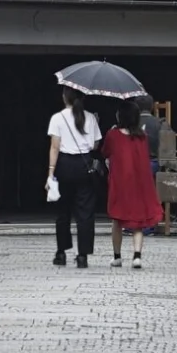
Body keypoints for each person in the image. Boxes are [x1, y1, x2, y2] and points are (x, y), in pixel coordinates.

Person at [46, 85, 104, 268]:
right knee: (85, 213)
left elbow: (54, 147)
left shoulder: (57, 118)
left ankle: (61, 253)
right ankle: (82, 256)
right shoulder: (90, 118)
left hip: (64, 165)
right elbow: (95, 145)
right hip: (84, 165)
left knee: (63, 212)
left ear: (65, 97)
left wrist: (50, 173)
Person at [103, 97, 164, 267]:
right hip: (138, 183)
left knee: (117, 220)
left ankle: (117, 256)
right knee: (138, 221)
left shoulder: (113, 135)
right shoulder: (142, 136)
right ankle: (137, 256)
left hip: (119, 183)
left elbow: (105, 152)